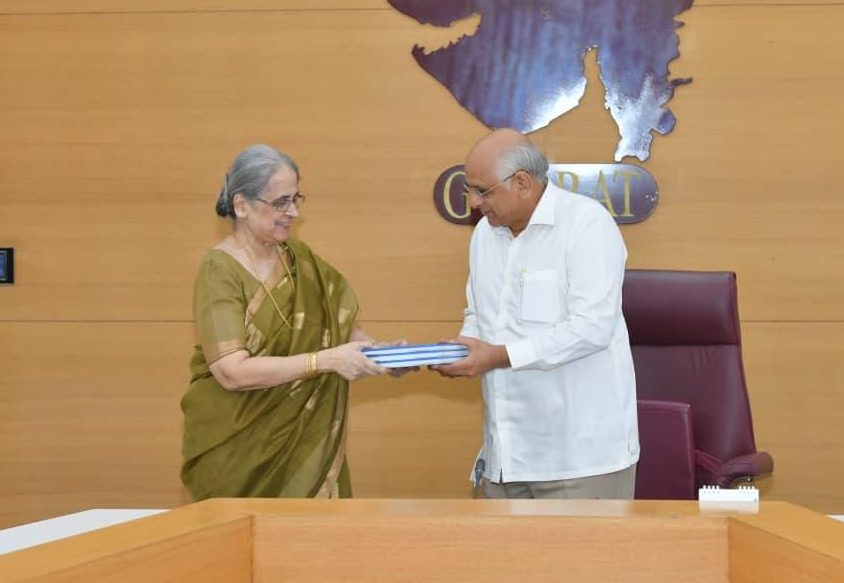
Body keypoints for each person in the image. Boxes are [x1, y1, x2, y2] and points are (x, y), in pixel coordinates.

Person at [181, 144, 406, 500]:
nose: (294, 212)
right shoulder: (219, 270)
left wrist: (379, 354)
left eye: (296, 199)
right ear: (242, 205)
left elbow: (333, 328)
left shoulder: (299, 259)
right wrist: (326, 361)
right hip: (242, 450)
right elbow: (231, 372)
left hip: (304, 443)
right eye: (281, 203)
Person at [436, 129, 639, 499]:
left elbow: (591, 329)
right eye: (471, 191)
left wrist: (496, 356)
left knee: (583, 560)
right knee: (498, 560)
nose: (474, 203)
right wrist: (459, 351)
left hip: (580, 460)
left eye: (483, 191)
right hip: (505, 455)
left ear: (523, 183)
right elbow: (479, 313)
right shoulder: (485, 235)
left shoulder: (586, 224)